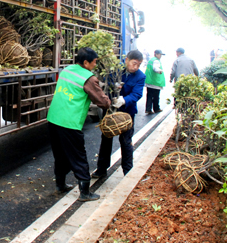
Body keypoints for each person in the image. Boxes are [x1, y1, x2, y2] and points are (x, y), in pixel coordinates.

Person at [47, 47, 111, 202]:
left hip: (53, 119)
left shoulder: (67, 70)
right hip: (69, 122)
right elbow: (102, 102)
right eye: (94, 62)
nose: (95, 65)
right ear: (85, 62)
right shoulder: (88, 78)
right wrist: (110, 101)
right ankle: (85, 192)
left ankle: (60, 185)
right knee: (78, 156)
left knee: (60, 155)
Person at [91, 50, 146, 178]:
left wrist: (124, 100)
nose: (136, 67)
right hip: (110, 110)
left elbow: (137, 94)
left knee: (126, 141)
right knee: (106, 139)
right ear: (126, 60)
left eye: (138, 64)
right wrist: (112, 91)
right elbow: (105, 84)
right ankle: (101, 169)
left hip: (127, 112)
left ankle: (128, 171)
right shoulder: (114, 70)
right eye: (134, 63)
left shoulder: (140, 76)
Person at [145, 50, 165, 114]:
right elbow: (155, 69)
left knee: (149, 96)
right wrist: (160, 71)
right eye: (160, 54)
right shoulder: (156, 61)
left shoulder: (151, 60)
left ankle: (148, 109)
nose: (161, 56)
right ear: (156, 54)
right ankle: (156, 108)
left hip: (149, 81)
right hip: (155, 82)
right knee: (156, 96)